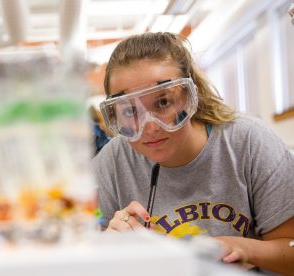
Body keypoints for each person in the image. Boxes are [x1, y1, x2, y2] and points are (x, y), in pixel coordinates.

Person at [92, 32, 294, 274]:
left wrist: (243, 248)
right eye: (129, 110)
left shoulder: (249, 142)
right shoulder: (111, 163)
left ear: (190, 96)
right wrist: (109, 246)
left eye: (163, 103)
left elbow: (290, 252)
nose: (150, 127)